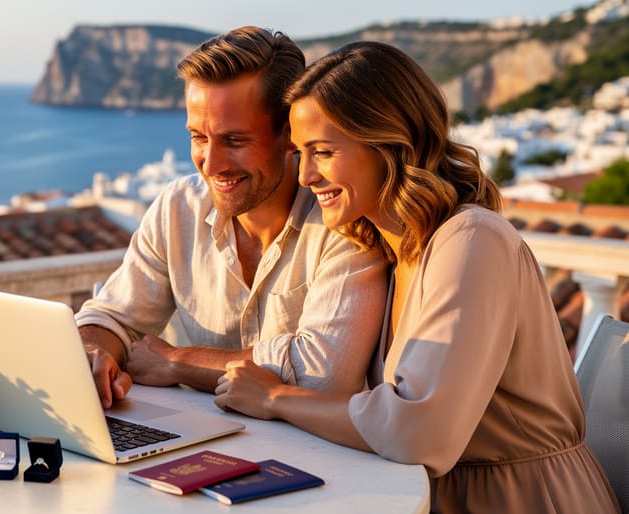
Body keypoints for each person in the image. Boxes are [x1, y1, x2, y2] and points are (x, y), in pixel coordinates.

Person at [213, 41, 620, 513]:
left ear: (389, 142)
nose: (305, 176)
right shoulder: (390, 249)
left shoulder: (471, 239)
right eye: (300, 153)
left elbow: (418, 431)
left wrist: (277, 398)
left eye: (322, 152)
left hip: (523, 499)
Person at [76, 26, 387, 409]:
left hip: (319, 461)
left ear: (291, 134)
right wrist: (94, 350)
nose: (212, 164)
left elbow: (324, 374)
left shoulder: (343, 218)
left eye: (235, 141)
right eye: (198, 137)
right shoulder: (177, 208)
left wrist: (179, 362)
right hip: (196, 449)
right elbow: (112, 318)